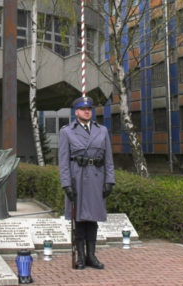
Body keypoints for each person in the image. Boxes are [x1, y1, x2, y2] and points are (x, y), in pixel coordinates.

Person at [58, 96, 115, 270]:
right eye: (83, 109)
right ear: (76, 112)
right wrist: (66, 184)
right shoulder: (67, 131)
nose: (87, 111)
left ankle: (91, 255)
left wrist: (109, 181)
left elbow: (108, 159)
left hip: (97, 179)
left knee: (93, 218)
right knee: (79, 218)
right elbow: (63, 160)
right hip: (78, 178)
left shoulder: (102, 131)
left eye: (89, 109)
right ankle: (81, 256)